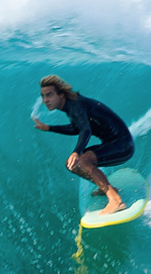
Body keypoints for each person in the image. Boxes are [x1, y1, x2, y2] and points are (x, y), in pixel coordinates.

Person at [33, 74, 135, 216]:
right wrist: (49, 127)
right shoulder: (71, 105)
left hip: (123, 145)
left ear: (61, 95)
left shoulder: (76, 105)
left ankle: (116, 200)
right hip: (114, 144)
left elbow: (86, 129)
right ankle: (108, 188)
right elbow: (76, 128)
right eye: (43, 96)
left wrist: (76, 152)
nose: (45, 100)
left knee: (82, 160)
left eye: (49, 95)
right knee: (72, 165)